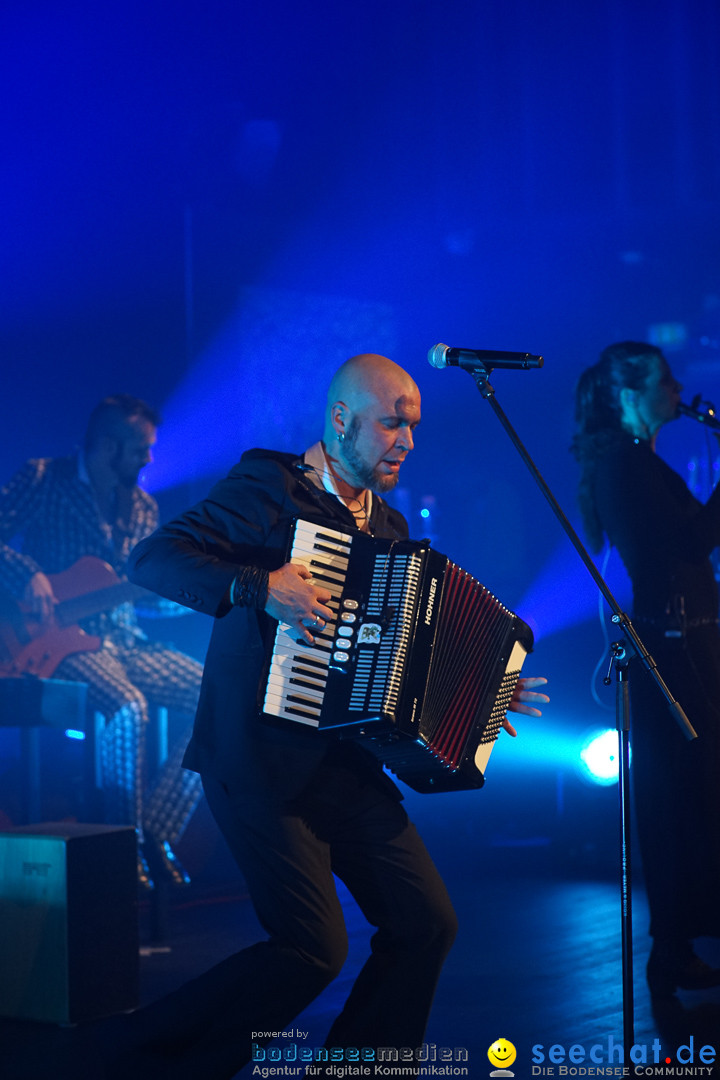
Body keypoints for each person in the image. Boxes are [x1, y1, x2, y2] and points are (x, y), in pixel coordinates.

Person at [114, 353, 548, 1079]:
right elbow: (154, 559)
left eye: (413, 426)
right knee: (314, 948)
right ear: (341, 420)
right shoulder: (271, 487)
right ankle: (146, 1059)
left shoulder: (389, 524)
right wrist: (260, 584)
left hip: (340, 762)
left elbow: (399, 666)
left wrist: (475, 703)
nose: (406, 441)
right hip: (256, 760)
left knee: (426, 923)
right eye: (391, 423)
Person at [0, 394, 204, 888]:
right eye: (140, 448)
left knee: (216, 698)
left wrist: (197, 592)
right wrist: (29, 575)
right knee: (127, 707)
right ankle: (122, 845)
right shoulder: (45, 477)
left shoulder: (142, 505)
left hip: (125, 641)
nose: (149, 459)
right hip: (61, 641)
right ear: (108, 446)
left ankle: (155, 832)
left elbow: (142, 595)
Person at [572, 340, 720, 998]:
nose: (677, 389)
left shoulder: (641, 463)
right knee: (677, 796)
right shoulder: (624, 468)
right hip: (671, 648)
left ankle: (679, 943)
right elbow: (686, 544)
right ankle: (673, 945)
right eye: (663, 381)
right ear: (631, 394)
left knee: (688, 794)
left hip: (688, 641)